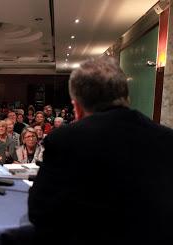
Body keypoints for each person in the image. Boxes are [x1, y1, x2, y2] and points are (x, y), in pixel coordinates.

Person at [28, 57, 173, 244]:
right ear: (127, 98)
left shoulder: (65, 139)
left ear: (77, 108)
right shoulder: (167, 138)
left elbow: (40, 212)